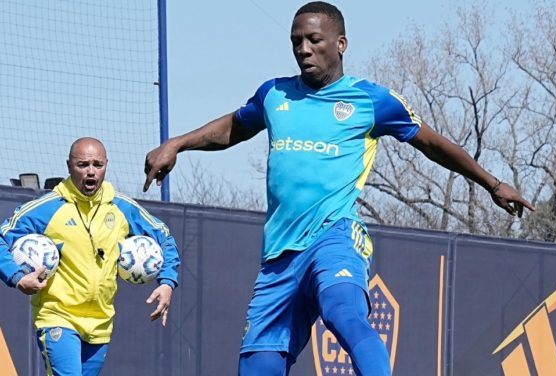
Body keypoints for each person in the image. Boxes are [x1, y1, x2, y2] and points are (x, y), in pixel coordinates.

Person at [144, 2, 534, 375]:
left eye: (314, 39)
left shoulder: (370, 100)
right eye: (297, 41)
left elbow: (431, 143)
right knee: (258, 363)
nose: (303, 49)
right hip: (279, 256)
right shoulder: (274, 95)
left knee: (342, 310)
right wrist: (177, 143)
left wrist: (493, 184)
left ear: (340, 44)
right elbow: (233, 128)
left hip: (335, 234)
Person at [0, 137, 181, 376]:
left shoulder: (121, 207)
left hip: (101, 324)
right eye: (83, 165)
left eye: (98, 165)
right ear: (68, 166)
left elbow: (165, 238)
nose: (91, 172)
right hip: (57, 318)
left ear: (107, 164)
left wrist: (167, 282)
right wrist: (17, 277)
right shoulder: (48, 207)